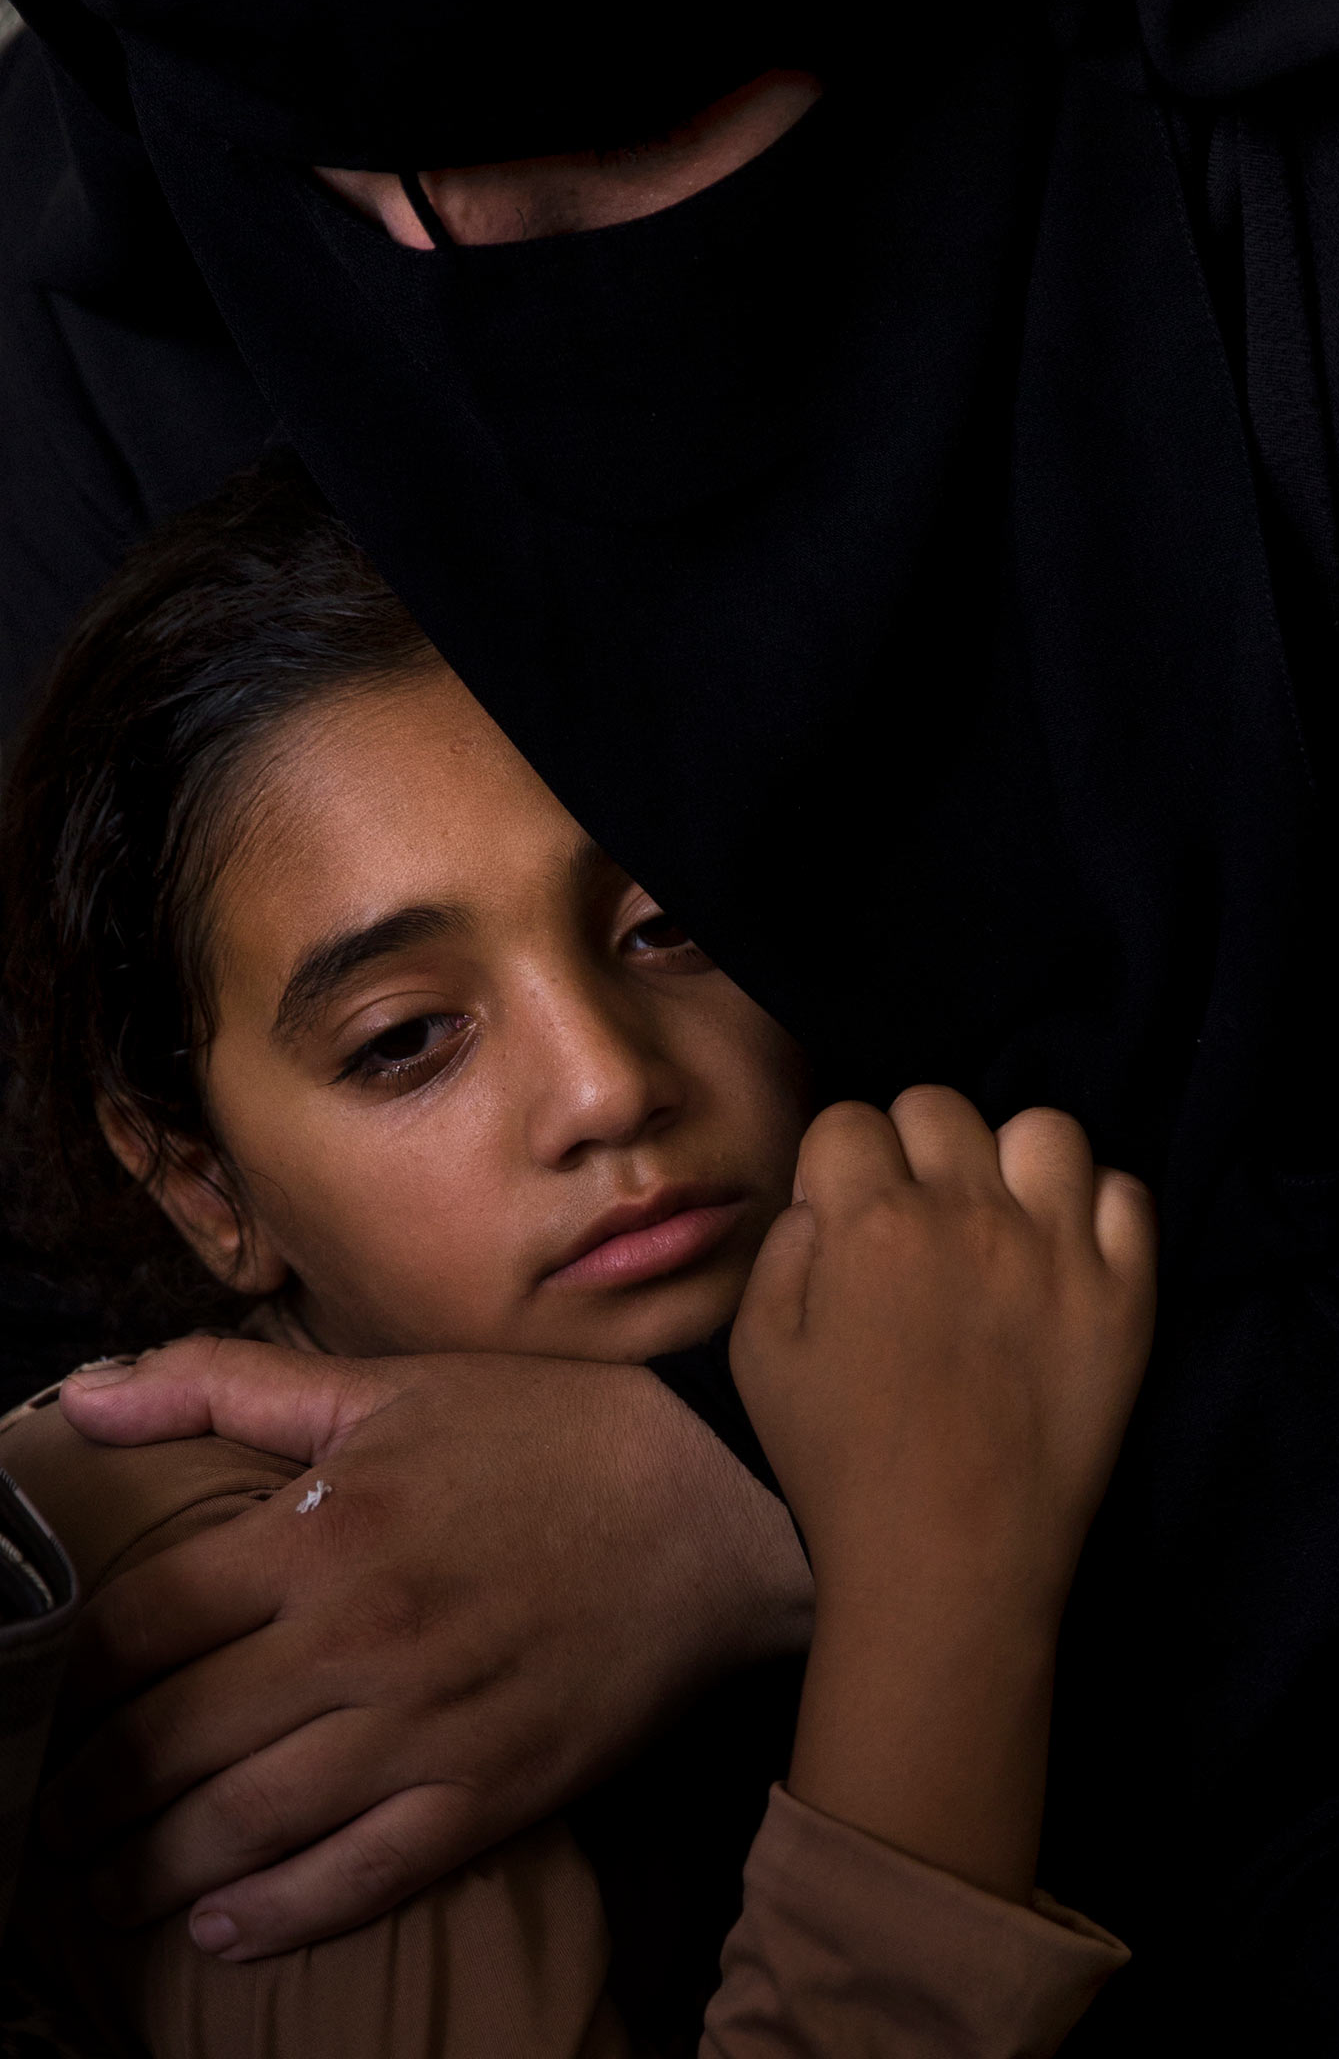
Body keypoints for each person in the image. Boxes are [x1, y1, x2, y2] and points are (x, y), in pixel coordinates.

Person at [3, 0, 1339, 2050]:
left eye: (646, 147)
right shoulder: (100, 318)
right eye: (384, 202)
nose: (500, 262)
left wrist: (768, 1509)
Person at [0, 460, 1145, 2055]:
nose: (610, 1084)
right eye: (408, 1039)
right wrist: (933, 1577)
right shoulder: (239, 1602)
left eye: (672, 927)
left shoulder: (944, 1264)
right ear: (200, 1183)